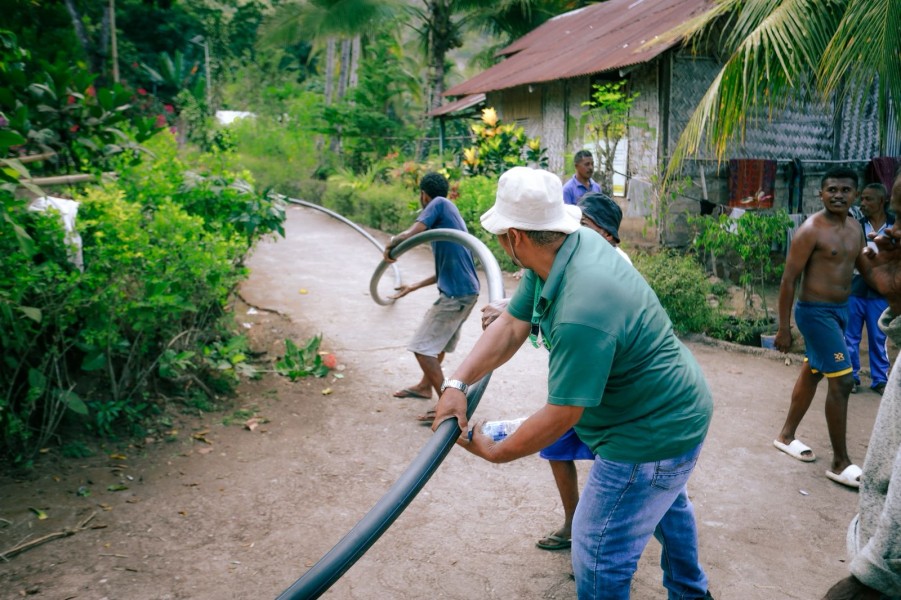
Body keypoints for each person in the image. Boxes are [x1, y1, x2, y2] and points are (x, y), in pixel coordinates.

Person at [433, 166, 715, 599]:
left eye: (499, 233)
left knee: (598, 549)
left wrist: (496, 450)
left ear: (516, 238)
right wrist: (457, 383)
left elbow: (564, 413)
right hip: (673, 410)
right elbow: (511, 326)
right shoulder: (565, 249)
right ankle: (692, 594)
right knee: (666, 502)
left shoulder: (582, 307)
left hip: (648, 432)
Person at [823, 172, 901, 599]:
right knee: (851, 351)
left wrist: (874, 572)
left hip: (883, 566)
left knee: (850, 371)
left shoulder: (865, 230)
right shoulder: (845, 229)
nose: (894, 231)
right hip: (852, 299)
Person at [773, 166, 867, 489]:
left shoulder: (856, 229)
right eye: (832, 190)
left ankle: (786, 436)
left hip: (841, 311)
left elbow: (866, 268)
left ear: (855, 194)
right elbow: (788, 280)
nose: (838, 195)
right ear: (821, 193)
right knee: (842, 382)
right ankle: (840, 462)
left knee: (813, 371)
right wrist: (783, 328)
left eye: (845, 190)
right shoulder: (811, 230)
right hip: (814, 313)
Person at [383, 172, 480, 422]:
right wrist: (411, 287)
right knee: (435, 346)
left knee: (422, 348)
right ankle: (425, 387)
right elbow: (442, 272)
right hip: (464, 291)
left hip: (457, 294)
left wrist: (393, 244)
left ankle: (447, 407)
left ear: (423, 195)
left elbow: (410, 234)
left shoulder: (438, 204)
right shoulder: (447, 220)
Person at [845, 183, 893, 395]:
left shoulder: (894, 226)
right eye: (861, 199)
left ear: (881, 202)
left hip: (880, 291)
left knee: (878, 336)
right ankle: (852, 377)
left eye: (868, 199)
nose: (862, 203)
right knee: (850, 336)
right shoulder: (856, 226)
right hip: (855, 289)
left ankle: (880, 380)